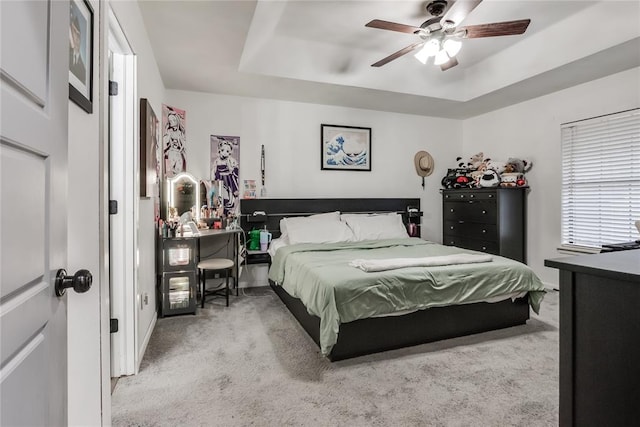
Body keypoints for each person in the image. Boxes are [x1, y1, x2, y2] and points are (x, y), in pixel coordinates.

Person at [211, 138, 239, 216]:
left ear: (230, 152)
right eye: (223, 150)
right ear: (219, 151)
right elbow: (214, 170)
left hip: (229, 177)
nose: (225, 153)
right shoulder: (217, 161)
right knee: (220, 191)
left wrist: (231, 169)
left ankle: (230, 202)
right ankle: (222, 204)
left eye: (227, 151)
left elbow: (235, 168)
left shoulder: (230, 160)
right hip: (220, 177)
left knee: (230, 190)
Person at [163, 109, 186, 177]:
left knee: (178, 171)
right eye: (170, 121)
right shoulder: (169, 132)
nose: (171, 122)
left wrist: (181, 149)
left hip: (178, 153)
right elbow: (166, 141)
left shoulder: (180, 133)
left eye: (173, 120)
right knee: (171, 171)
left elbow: (183, 144)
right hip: (172, 152)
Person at [69, 13, 86, 82]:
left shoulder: (83, 71)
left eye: (76, 33)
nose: (73, 36)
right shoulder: (67, 54)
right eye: (72, 32)